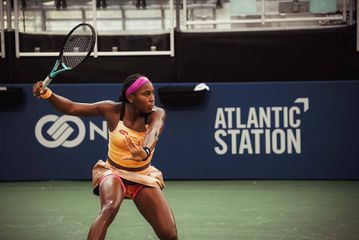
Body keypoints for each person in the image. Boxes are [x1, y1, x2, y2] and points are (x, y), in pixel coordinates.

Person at [33, 74, 178, 240]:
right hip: (114, 172)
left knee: (170, 234)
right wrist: (47, 94)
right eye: (146, 94)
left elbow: (154, 132)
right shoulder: (111, 110)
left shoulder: (157, 113)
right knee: (109, 207)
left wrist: (144, 151)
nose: (152, 99)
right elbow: (72, 108)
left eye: (153, 93)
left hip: (143, 176)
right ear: (130, 97)